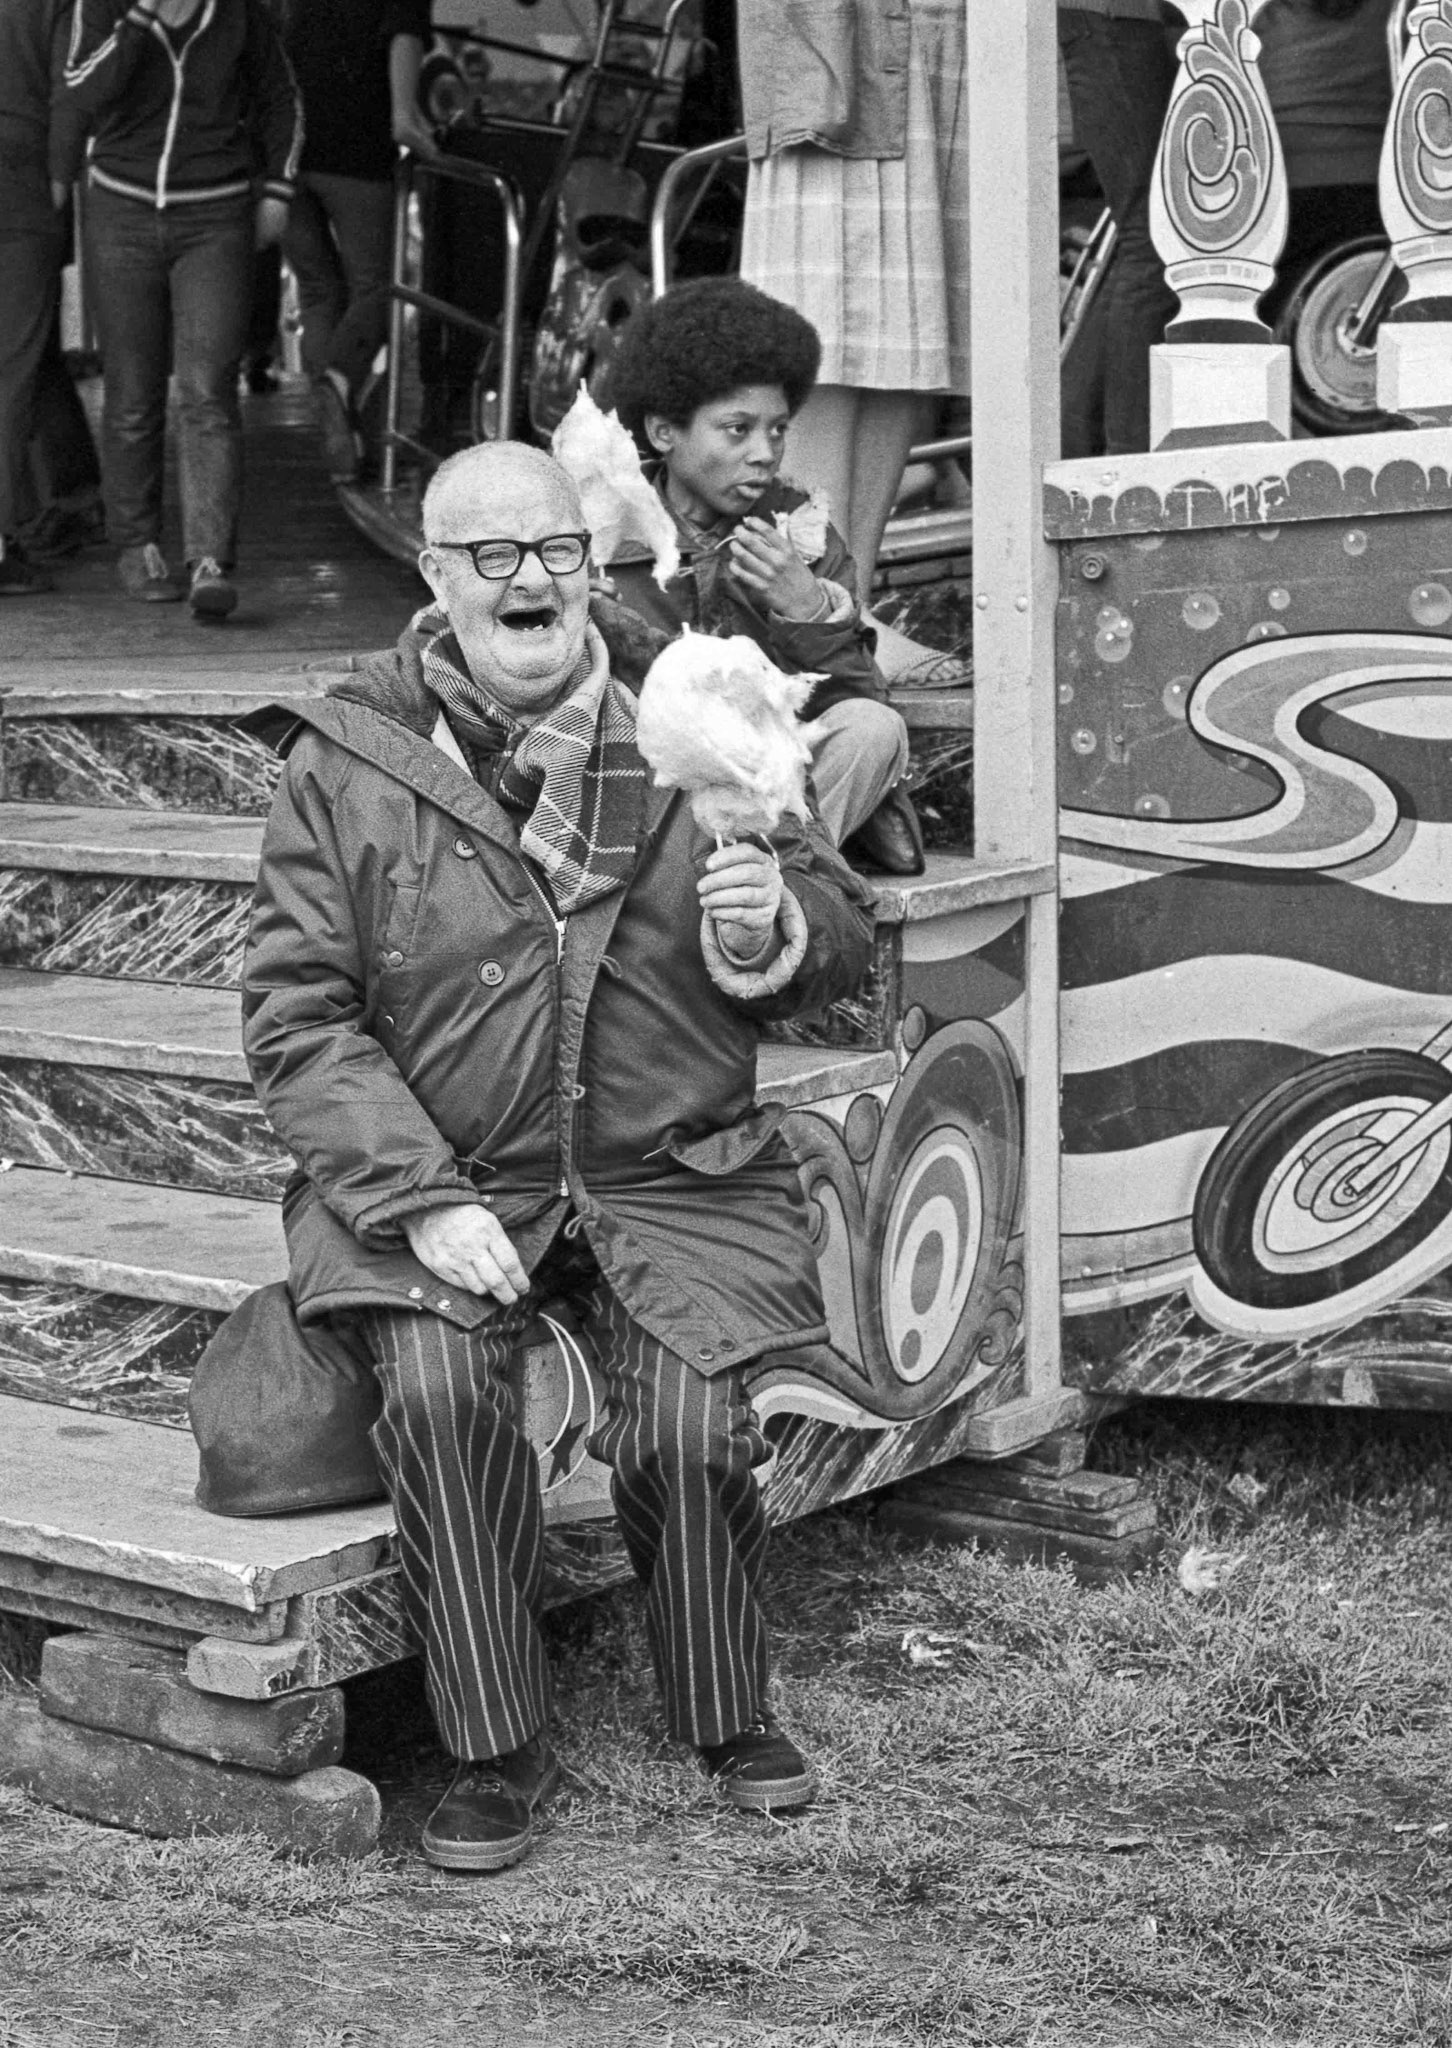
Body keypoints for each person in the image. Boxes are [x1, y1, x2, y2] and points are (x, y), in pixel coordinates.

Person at [241, 439, 876, 1873]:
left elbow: (844, 935)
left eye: (557, 552)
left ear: (595, 562)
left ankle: (724, 1709)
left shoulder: (698, 708)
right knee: (444, 1396)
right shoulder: (348, 764)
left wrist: (772, 928)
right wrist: (417, 1199)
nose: (531, 582)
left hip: (668, 1169)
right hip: (452, 1179)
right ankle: (490, 1742)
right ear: (436, 577)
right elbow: (296, 1021)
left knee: (689, 1428)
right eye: (493, 557)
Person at [604, 277, 924, 877]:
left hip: (777, 788)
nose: (765, 452)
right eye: (737, 428)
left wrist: (806, 611)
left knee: (874, 730)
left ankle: (755, 881)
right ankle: (718, 883)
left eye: (778, 429)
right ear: (663, 432)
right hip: (654, 791)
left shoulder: (802, 530)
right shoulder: (604, 533)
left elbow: (857, 698)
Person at [735, 0, 970, 684]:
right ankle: (799, 617)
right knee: (823, 336)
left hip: (936, 43)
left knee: (905, 339)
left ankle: (846, 610)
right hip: (834, 40)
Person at [63, 0, 302, 616]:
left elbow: (284, 102)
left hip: (215, 215)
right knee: (133, 392)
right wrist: (141, 17)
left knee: (207, 390)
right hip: (120, 208)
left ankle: (209, 560)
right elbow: (84, 90)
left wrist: (278, 188)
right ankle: (137, 545)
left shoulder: (240, 12)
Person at [279, 0, 436, 484]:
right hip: (357, 147)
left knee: (319, 290)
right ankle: (339, 382)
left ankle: (344, 440)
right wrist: (407, 115)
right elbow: (404, 30)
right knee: (378, 290)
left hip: (287, 151)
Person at [0, 0, 87, 596]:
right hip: (24, 183)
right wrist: (59, 178)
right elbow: (73, 88)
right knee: (13, 370)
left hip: (28, 184)